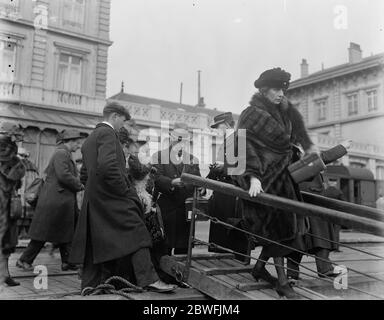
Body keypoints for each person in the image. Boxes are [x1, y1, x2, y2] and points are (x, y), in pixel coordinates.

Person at [69, 102, 175, 293]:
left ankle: (90, 287)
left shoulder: (90, 139)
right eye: (123, 121)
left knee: (95, 243)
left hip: (94, 200)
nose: (122, 126)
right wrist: (125, 192)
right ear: (115, 116)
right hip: (113, 197)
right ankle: (148, 279)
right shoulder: (108, 134)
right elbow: (108, 167)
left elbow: (84, 175)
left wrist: (95, 189)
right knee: (137, 231)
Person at [233, 68, 317, 299]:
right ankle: (281, 282)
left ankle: (259, 268)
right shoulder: (250, 114)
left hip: (284, 181)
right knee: (278, 230)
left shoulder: (284, 113)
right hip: (261, 183)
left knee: (289, 231)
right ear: (263, 90)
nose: (281, 93)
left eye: (283, 89)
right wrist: (252, 177)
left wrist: (304, 152)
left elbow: (293, 139)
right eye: (277, 89)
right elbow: (239, 147)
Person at [16, 130, 84, 272]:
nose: (78, 146)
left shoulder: (63, 153)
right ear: (69, 141)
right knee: (44, 234)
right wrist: (79, 185)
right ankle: (24, 260)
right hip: (57, 201)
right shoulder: (61, 153)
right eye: (77, 143)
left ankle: (68, 262)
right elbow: (63, 175)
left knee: (67, 232)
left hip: (60, 200)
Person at [287, 141, 351, 281]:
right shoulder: (290, 150)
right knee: (310, 237)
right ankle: (319, 269)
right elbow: (315, 161)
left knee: (302, 238)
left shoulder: (293, 148)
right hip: (306, 201)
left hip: (306, 201)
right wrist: (341, 148)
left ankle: (298, 272)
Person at [152, 122, 202, 255]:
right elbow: (155, 178)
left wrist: (201, 189)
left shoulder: (193, 159)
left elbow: (199, 181)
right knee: (163, 251)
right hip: (166, 212)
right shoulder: (158, 156)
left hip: (185, 214)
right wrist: (171, 183)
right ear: (171, 135)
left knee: (184, 254)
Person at [207, 113, 250, 262]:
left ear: (225, 124)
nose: (216, 130)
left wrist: (222, 167)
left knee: (233, 231)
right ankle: (222, 261)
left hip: (233, 193)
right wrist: (206, 181)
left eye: (217, 127)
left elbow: (243, 167)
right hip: (222, 192)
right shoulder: (227, 141)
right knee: (221, 233)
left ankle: (238, 264)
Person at [0, 122, 26, 287]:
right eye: (16, 134)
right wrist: (20, 163)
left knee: (7, 236)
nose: (19, 137)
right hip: (2, 197)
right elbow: (8, 170)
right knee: (3, 233)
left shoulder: (8, 147)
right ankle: (4, 274)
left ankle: (4, 274)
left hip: (7, 196)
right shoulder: (4, 147)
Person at [17, 148, 39, 238]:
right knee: (28, 216)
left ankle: (20, 234)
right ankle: (27, 233)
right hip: (30, 196)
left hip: (19, 195)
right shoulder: (33, 166)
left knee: (17, 214)